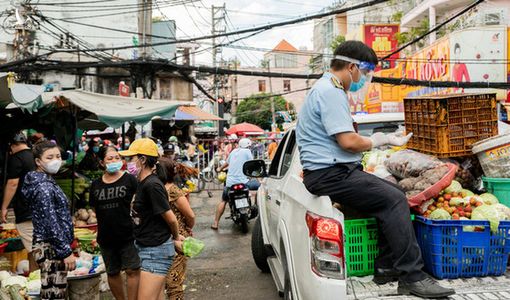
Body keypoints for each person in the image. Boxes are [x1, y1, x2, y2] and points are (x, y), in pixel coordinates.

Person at [296, 40, 454, 299]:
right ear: (351, 67)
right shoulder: (330, 91)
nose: (365, 80)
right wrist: (380, 139)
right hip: (330, 174)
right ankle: (413, 277)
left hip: (334, 172)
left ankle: (386, 265)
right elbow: (347, 141)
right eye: (365, 73)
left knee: (391, 192)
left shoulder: (326, 89)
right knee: (394, 200)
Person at [119, 138, 184, 300]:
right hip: (147, 248)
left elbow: (171, 219)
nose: (127, 162)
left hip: (155, 252)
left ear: (142, 160)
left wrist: (175, 237)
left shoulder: (152, 185)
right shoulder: (142, 183)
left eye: (131, 158)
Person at [21, 141, 76, 300]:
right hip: (51, 247)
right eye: (50, 157)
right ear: (38, 161)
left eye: (58, 156)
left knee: (51, 291)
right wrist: (65, 251)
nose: (56, 160)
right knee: (54, 293)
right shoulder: (44, 187)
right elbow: (50, 222)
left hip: (48, 245)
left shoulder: (44, 181)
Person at [89, 146, 140, 300]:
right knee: (112, 272)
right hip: (106, 236)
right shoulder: (96, 184)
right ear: (101, 162)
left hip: (128, 234)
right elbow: (94, 208)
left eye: (117, 158)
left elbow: (139, 202)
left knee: (132, 270)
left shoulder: (130, 179)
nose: (114, 161)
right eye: (109, 158)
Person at [158, 158, 195, 299]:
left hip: (176, 239)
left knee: (172, 282)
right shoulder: (163, 188)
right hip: (170, 238)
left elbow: (190, 215)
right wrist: (188, 227)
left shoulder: (171, 190)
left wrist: (186, 227)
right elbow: (190, 216)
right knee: (172, 281)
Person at [2, 132, 37, 270]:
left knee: (34, 250)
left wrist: (4, 207)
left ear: (13, 145)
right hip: (39, 207)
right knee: (34, 247)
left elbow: (12, 184)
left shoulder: (16, 158)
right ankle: (35, 278)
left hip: (25, 210)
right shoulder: (35, 155)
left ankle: (38, 281)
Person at [212, 138, 259, 230]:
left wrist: (220, 169)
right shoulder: (247, 152)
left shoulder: (233, 152)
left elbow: (226, 163)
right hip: (244, 182)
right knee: (261, 187)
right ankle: (255, 206)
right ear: (248, 146)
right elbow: (252, 165)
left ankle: (215, 223)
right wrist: (259, 179)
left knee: (223, 201)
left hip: (230, 184)